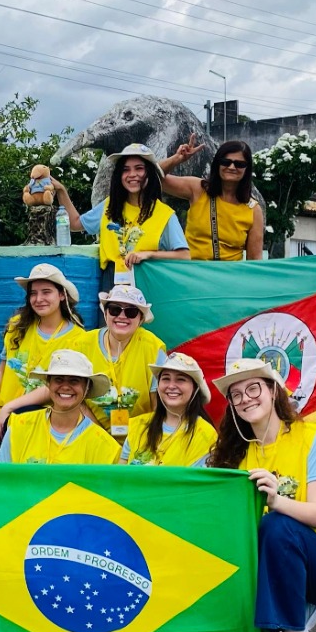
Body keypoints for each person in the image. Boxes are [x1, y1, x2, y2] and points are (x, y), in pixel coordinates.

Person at [205, 358, 316, 632]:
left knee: (277, 524)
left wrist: (276, 501)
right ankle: (292, 608)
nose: (246, 399)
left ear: (273, 391)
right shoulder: (235, 454)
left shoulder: (312, 437)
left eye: (253, 389)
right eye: (236, 395)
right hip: (271, 560)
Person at [0, 262, 85, 461]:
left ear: (62, 295)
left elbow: (52, 388)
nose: (38, 299)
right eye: (33, 293)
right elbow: (2, 370)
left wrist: (10, 407)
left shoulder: (78, 338)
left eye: (46, 292)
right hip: (1, 408)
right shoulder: (17, 325)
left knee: (16, 426)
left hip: (36, 412)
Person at [51, 143, 188, 291]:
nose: (132, 174)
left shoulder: (164, 214)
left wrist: (148, 255)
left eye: (139, 168)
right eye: (125, 170)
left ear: (150, 173)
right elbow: (75, 224)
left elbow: (184, 255)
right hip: (111, 282)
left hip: (147, 281)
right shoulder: (110, 205)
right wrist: (61, 190)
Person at [72, 283, 167, 440]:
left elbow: (159, 407)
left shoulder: (153, 348)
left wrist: (139, 443)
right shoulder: (81, 345)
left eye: (131, 312)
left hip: (142, 437)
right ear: (105, 314)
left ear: (141, 319)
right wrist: (103, 439)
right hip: (92, 434)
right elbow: (75, 399)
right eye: (115, 309)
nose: (122, 316)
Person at [0, 349, 124, 464]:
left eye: (74, 381)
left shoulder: (105, 446)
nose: (65, 386)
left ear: (87, 388)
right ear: (48, 384)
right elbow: (1, 477)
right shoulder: (19, 427)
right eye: (58, 379)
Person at [160, 136, 264, 261]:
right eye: (226, 162)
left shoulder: (253, 210)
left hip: (228, 272)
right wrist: (177, 158)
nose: (232, 167)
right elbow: (152, 178)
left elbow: (254, 259)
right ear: (217, 164)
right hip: (191, 270)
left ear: (247, 169)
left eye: (239, 164)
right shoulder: (198, 189)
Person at [124, 353, 218, 467]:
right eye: (166, 379)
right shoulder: (138, 426)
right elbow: (119, 474)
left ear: (195, 388)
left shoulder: (205, 435)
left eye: (180, 379)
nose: (171, 386)